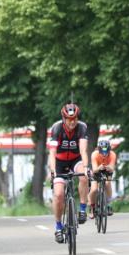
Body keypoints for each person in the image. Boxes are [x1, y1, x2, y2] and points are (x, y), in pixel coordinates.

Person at [47, 103, 91, 243]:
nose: (72, 122)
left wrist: (86, 167)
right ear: (63, 118)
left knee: (84, 176)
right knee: (59, 194)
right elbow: (52, 153)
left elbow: (83, 150)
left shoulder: (82, 127)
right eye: (69, 119)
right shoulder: (56, 128)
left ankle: (83, 208)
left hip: (75, 160)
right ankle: (58, 226)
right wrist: (53, 171)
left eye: (75, 119)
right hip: (59, 163)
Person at [89, 138, 117, 218]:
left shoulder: (112, 154)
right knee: (94, 189)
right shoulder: (94, 154)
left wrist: (109, 168)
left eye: (106, 152)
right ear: (99, 150)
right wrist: (99, 168)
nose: (104, 154)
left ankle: (108, 204)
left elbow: (112, 168)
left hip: (107, 170)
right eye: (102, 152)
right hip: (96, 170)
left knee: (108, 183)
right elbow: (94, 170)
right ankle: (92, 207)